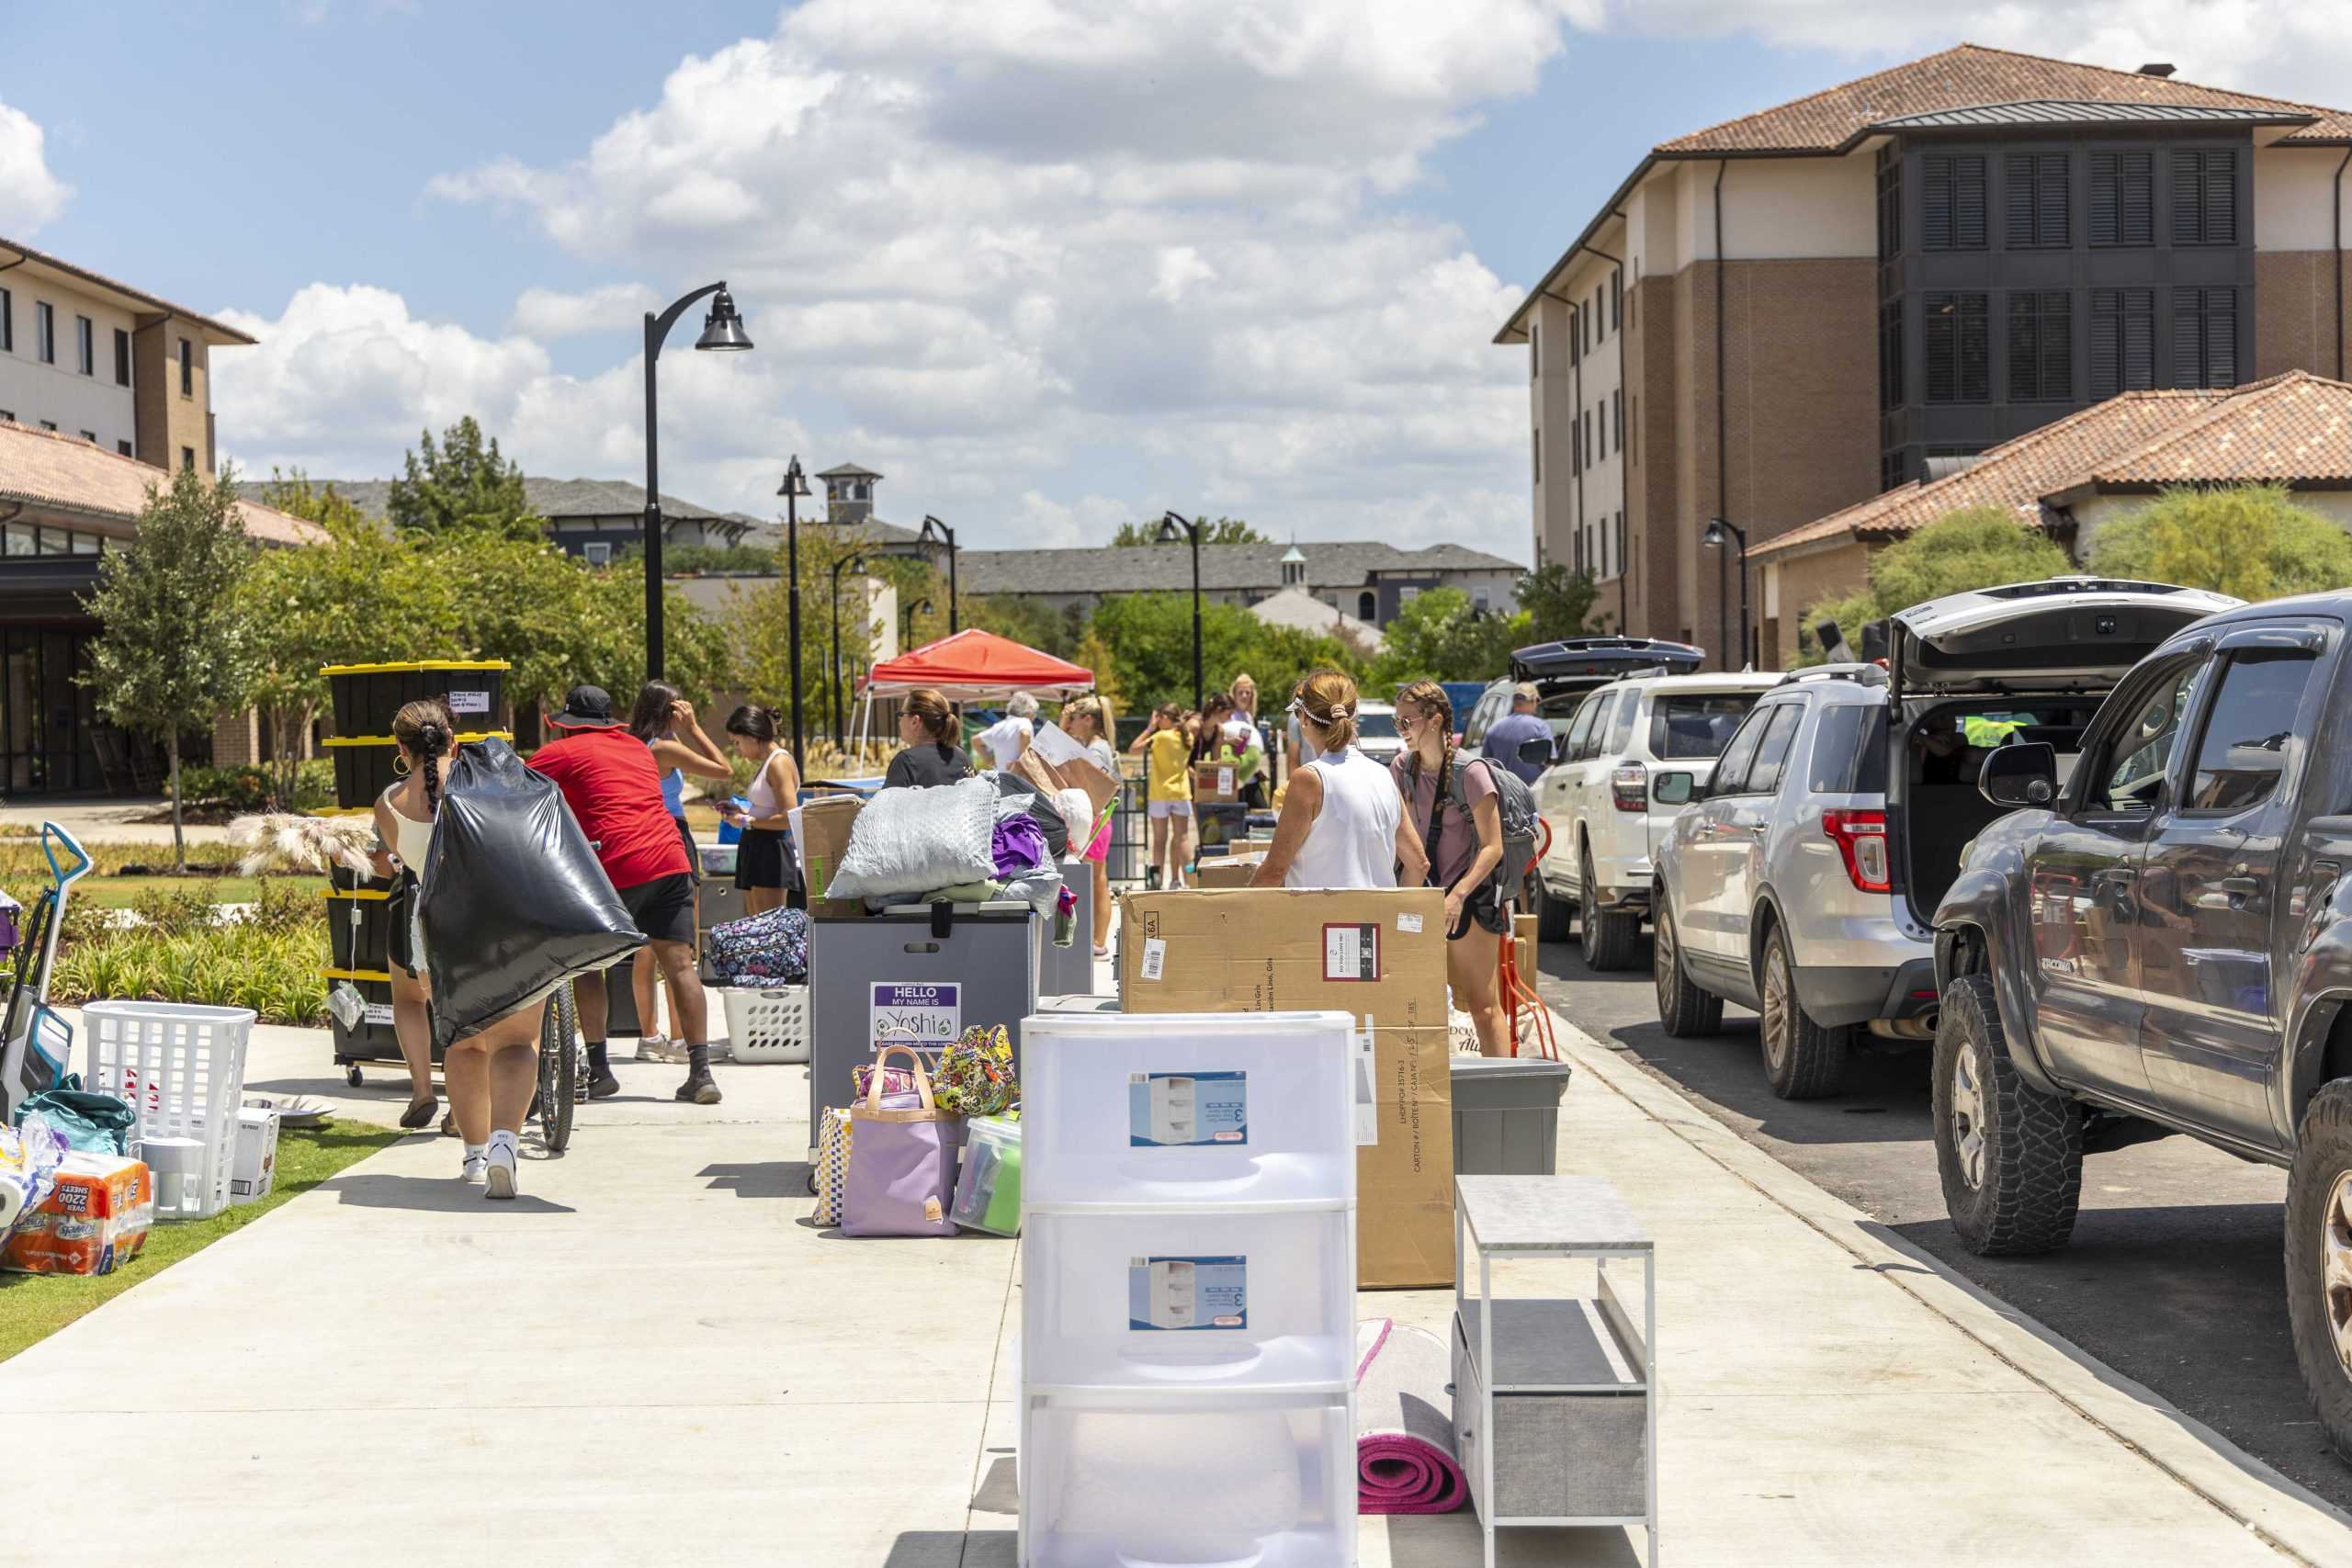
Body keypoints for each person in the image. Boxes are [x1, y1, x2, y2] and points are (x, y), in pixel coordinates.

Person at [375, 699, 547, 1195]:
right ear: (454, 738)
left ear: (400, 749)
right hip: (509, 923)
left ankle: (473, 1156)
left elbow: (402, 863)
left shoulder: (389, 806)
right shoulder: (493, 781)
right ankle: (503, 1148)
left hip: (436, 930)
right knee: (514, 1043)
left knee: (464, 1043)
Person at [530, 685, 720, 1107]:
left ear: (567, 726)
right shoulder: (638, 747)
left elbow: (514, 787)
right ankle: (701, 1073)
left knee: (586, 964)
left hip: (617, 864)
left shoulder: (561, 753)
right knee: (680, 965)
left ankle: (599, 1070)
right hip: (671, 860)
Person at [1392, 679, 1510, 1055]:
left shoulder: (1470, 772)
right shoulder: (1401, 768)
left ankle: (1501, 1097)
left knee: (1483, 1005)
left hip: (1469, 896)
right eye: (1398, 723)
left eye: (1406, 721)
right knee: (1413, 1005)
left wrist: (1457, 896)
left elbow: (1493, 848)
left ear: (1435, 720)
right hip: (1421, 895)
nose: (1402, 731)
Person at [627, 682, 733, 1065]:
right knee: (679, 945)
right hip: (671, 833)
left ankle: (648, 1036)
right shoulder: (666, 747)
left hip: (638, 837)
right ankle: (677, 1039)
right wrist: (694, 729)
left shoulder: (631, 742)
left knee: (643, 948)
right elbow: (724, 768)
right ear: (667, 711)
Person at [1251, 671, 1425, 890]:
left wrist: (1232, 918)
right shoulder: (1383, 775)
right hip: (1378, 921)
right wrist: (1399, 919)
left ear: (1304, 720)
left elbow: (1273, 872)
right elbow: (1418, 864)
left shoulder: (1309, 779)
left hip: (1320, 921)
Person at [718, 705, 805, 919]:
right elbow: (766, 807)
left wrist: (747, 820)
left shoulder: (779, 762)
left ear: (752, 736)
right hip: (755, 847)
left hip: (770, 851)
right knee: (755, 928)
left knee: (768, 929)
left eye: (737, 742)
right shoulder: (767, 763)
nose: (737, 750)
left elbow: (788, 817)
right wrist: (741, 811)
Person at [1059, 694, 1119, 957]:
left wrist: (1061, 726)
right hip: (1098, 819)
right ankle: (1097, 939)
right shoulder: (1098, 746)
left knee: (1097, 881)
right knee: (1098, 879)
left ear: (1087, 719)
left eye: (1073, 718)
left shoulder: (1096, 749)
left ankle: (1098, 940)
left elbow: (1069, 765)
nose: (1070, 723)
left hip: (1095, 819)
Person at [1128, 702, 1195, 890]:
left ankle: (1157, 881)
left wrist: (1149, 728)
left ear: (1165, 718)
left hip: (1159, 794)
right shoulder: (1187, 736)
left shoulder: (1159, 736)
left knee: (1159, 839)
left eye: (1158, 718)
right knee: (1182, 838)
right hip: (1181, 793)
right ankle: (1190, 878)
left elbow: (1133, 749)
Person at [885, 687, 973, 788]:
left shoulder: (906, 761)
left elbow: (888, 803)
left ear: (915, 721)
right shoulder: (961, 756)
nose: (899, 720)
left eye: (901, 714)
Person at [1483, 682, 1555, 786]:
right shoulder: (1541, 727)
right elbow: (1549, 765)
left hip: (1504, 793)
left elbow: (1486, 767)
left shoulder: (1493, 729)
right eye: (1537, 700)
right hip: (1532, 792)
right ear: (1533, 700)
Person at [1228, 672, 1270, 807]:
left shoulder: (1248, 716)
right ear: (1234, 694)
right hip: (1235, 775)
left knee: (1263, 813)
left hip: (1250, 775)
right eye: (1240, 693)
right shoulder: (1229, 715)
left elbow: (1248, 744)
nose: (1244, 696)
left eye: (1248, 693)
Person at [978, 692, 1037, 770]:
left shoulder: (998, 726)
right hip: (1019, 778)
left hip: (1002, 777)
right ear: (1028, 711)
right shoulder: (1024, 721)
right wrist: (1021, 763)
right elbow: (1025, 734)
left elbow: (975, 740)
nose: (1034, 716)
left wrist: (989, 760)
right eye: (1034, 712)